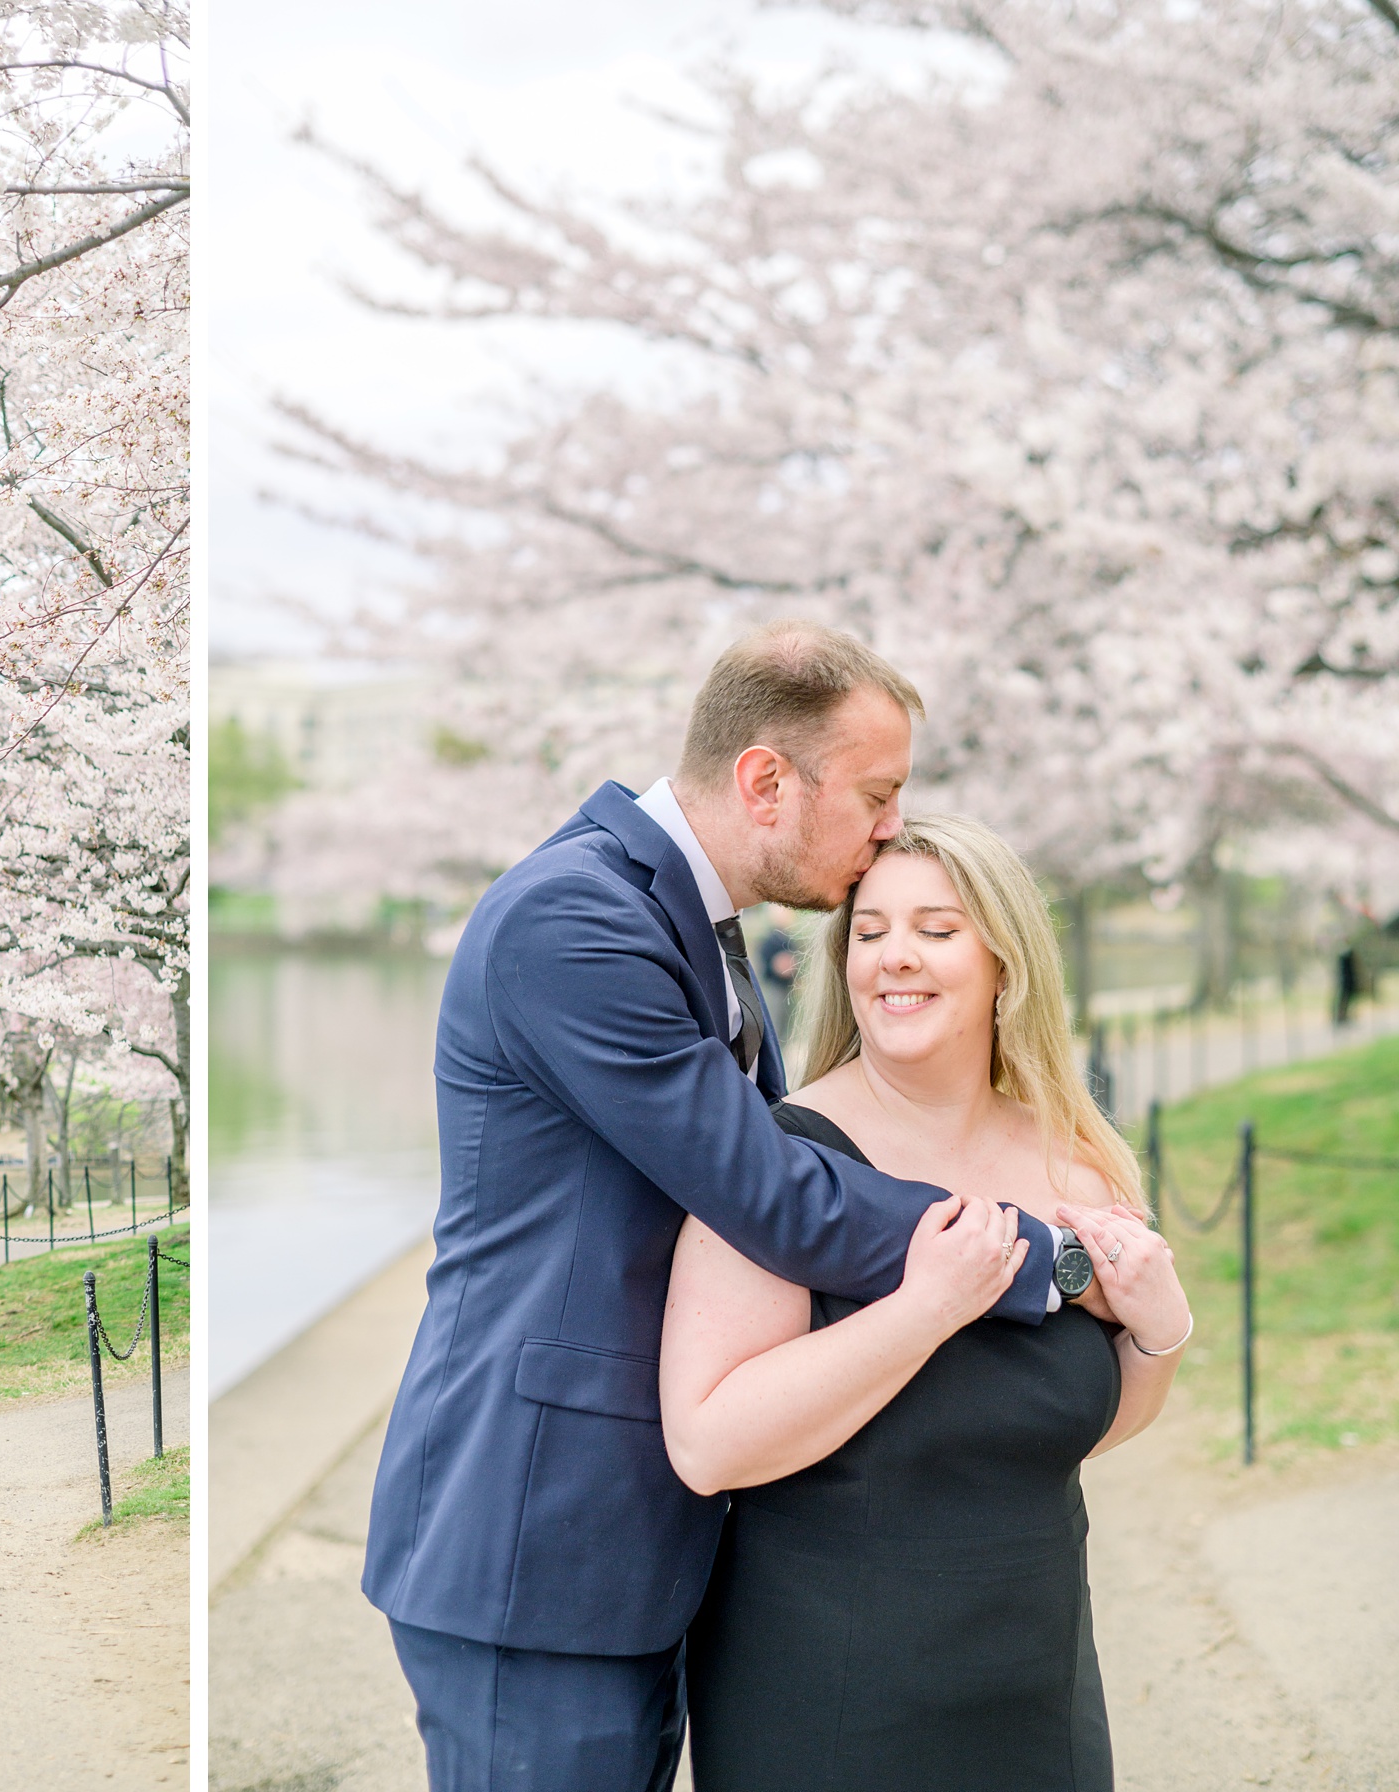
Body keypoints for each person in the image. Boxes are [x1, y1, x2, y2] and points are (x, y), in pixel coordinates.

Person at [364, 620, 1103, 1792]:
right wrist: (1036, 1259)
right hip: (538, 1536)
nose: (889, 829)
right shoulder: (577, 921)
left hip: (641, 1548)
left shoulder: (691, 922)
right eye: (875, 792)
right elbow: (768, 1190)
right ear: (767, 779)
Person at [666, 814, 1190, 1788]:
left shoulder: (1071, 1159)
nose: (895, 958)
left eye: (936, 930)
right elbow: (707, 1443)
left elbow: (1072, 1421)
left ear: (1006, 963)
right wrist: (925, 1310)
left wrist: (1157, 1335)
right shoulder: (780, 1164)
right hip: (826, 1691)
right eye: (870, 933)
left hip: (1038, 1685)